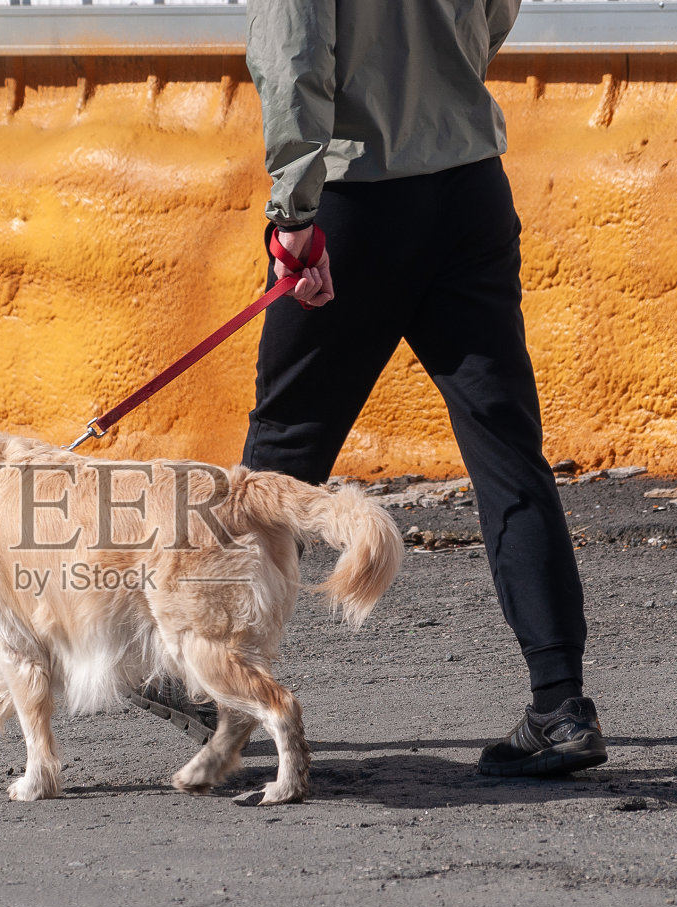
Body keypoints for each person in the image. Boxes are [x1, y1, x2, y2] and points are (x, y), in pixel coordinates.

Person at [133, 0, 606, 778]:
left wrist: (294, 213)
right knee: (507, 450)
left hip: (353, 196)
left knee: (283, 448)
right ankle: (561, 706)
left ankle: (203, 674)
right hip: (467, 186)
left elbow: (292, 53)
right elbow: (497, 10)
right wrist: (438, 82)